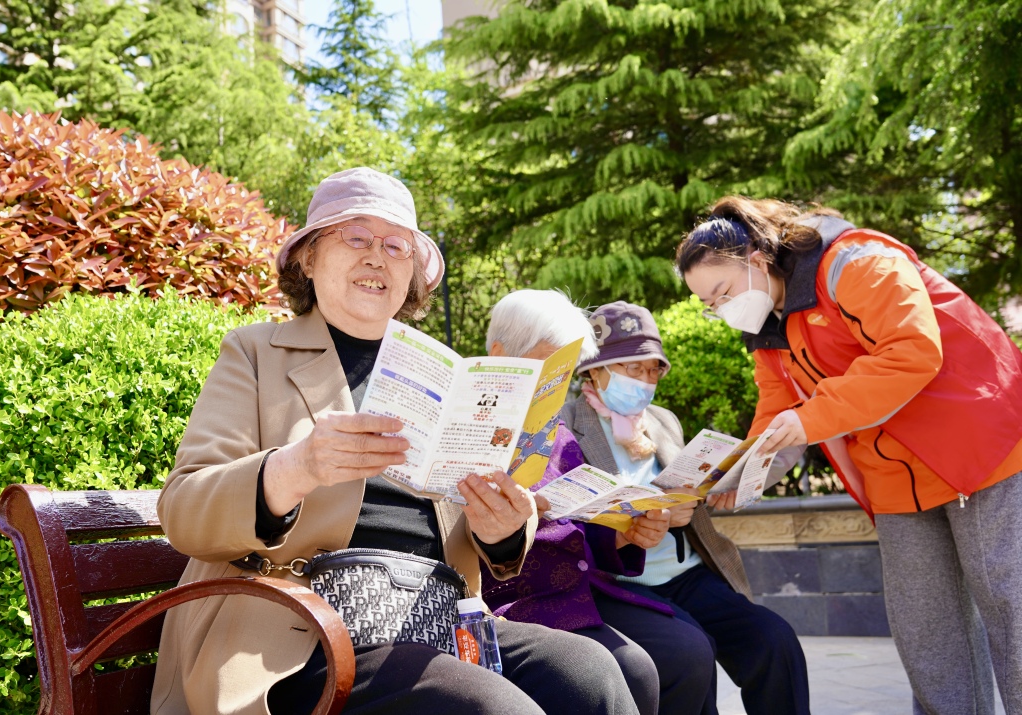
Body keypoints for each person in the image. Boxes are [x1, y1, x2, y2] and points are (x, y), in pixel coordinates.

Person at [151, 168, 640, 715]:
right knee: (490, 707)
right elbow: (183, 510)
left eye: (395, 246)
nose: (376, 258)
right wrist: (297, 467)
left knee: (592, 673)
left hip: (436, 619)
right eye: (356, 237)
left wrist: (501, 530)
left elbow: (485, 536)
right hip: (296, 638)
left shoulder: (447, 374)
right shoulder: (255, 353)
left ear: (411, 274)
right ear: (308, 258)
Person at [676, 196, 1022, 715]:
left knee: (1011, 609)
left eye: (722, 292)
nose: (722, 309)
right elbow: (776, 418)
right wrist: (733, 478)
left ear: (757, 258)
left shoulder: (856, 260)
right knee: (926, 634)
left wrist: (810, 417)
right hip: (895, 480)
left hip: (979, 450)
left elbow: (911, 351)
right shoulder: (766, 329)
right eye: (709, 304)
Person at [560, 300, 810, 715]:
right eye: (633, 368)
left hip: (687, 573)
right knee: (694, 652)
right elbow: (567, 515)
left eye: (653, 370)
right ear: (595, 370)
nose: (645, 381)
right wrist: (642, 516)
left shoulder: (662, 420)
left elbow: (687, 484)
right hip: (621, 582)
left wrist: (693, 499)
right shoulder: (566, 425)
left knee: (774, 639)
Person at [481, 289, 717, 715]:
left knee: (688, 651)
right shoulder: (471, 427)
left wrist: (627, 534)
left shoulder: (555, 430)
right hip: (517, 599)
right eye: (551, 366)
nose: (559, 383)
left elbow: (583, 527)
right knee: (636, 669)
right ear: (501, 356)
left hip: (582, 587)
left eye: (566, 371)